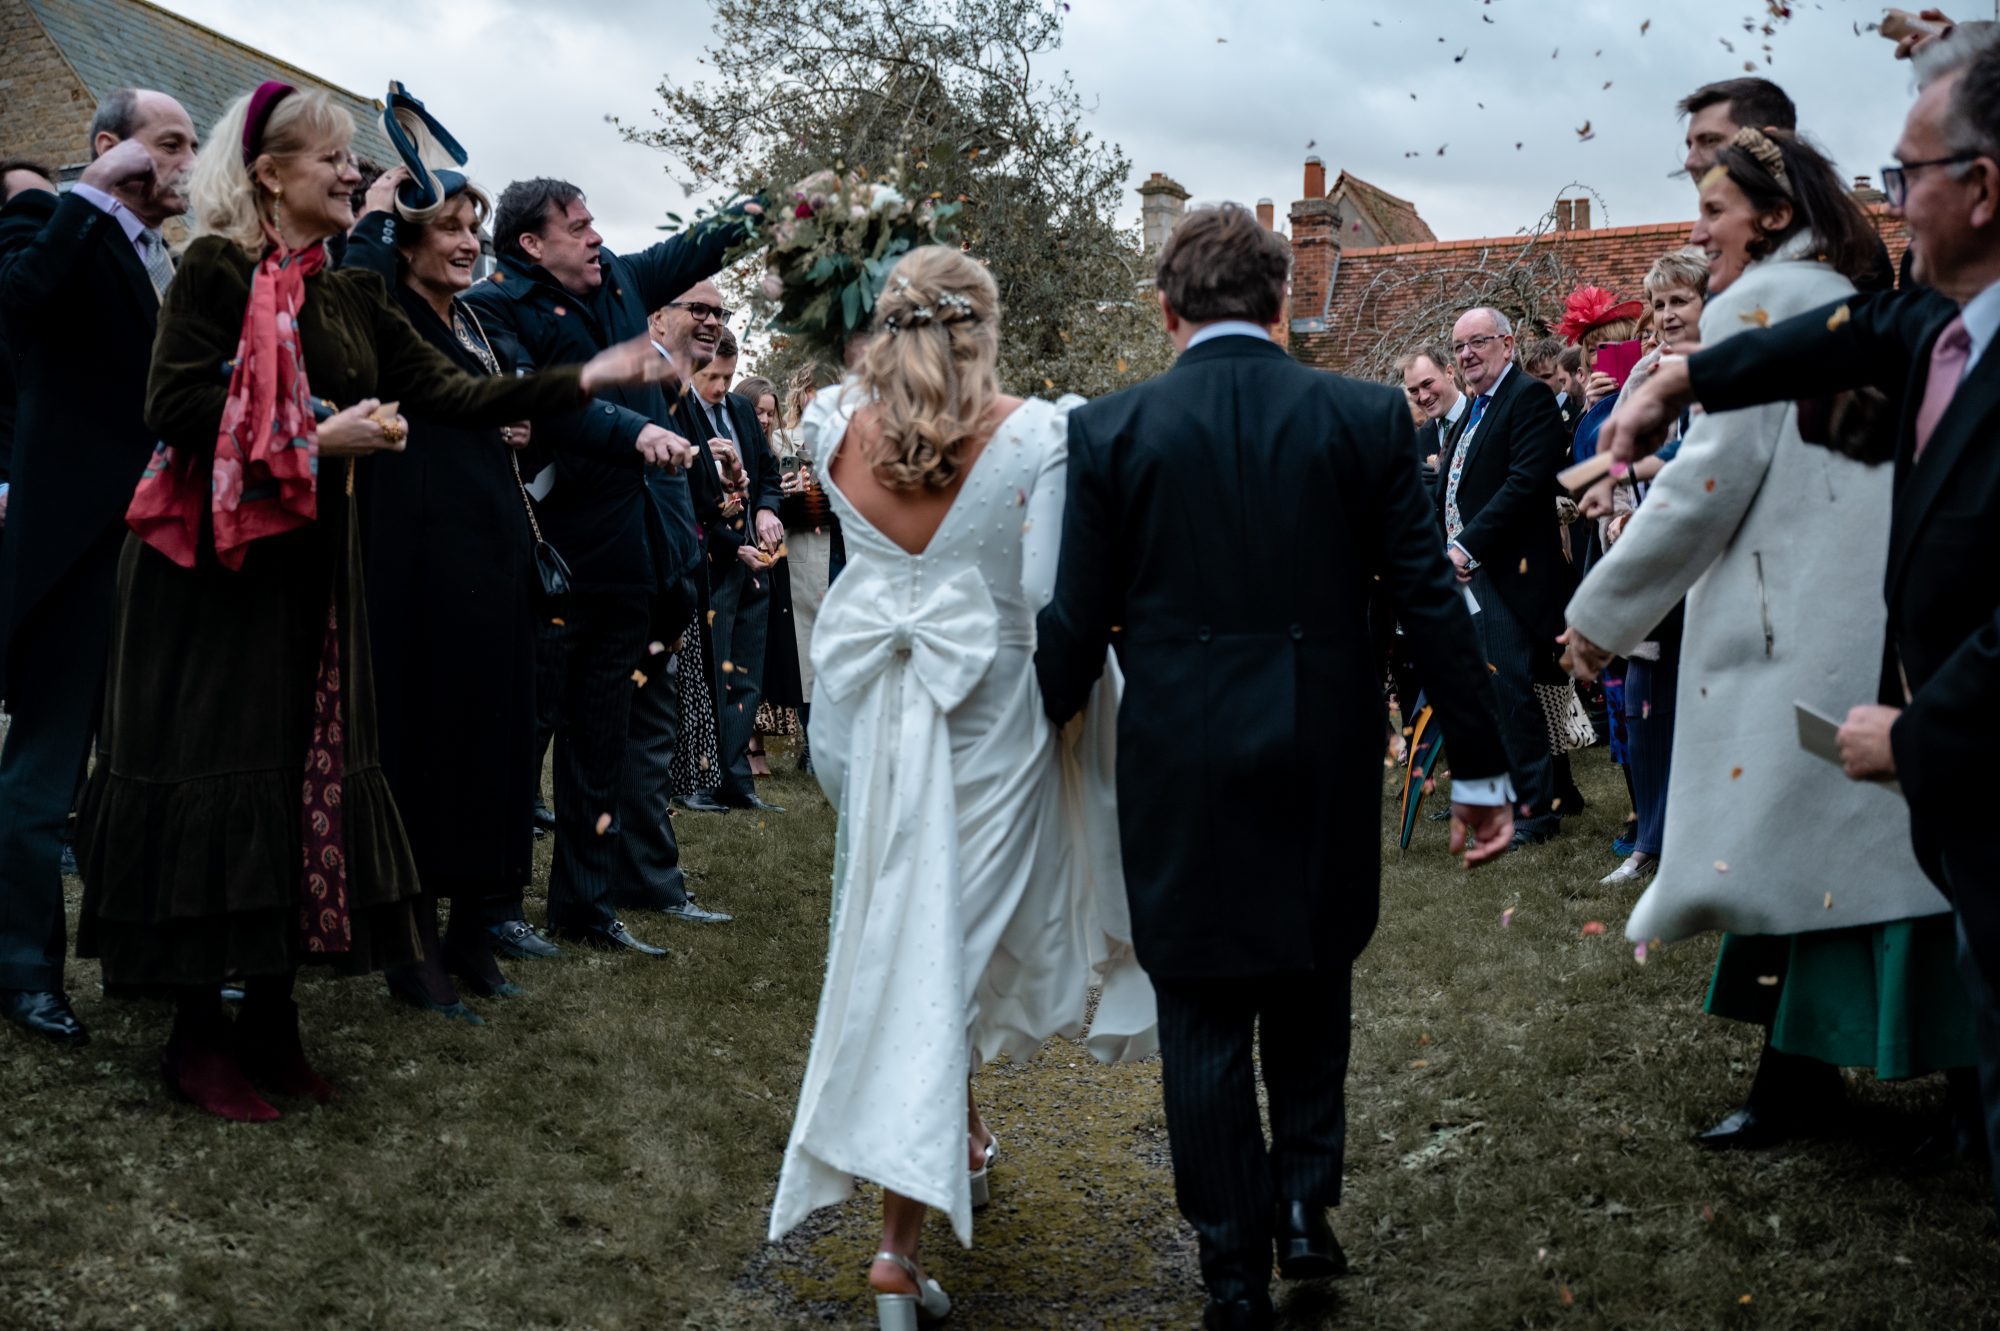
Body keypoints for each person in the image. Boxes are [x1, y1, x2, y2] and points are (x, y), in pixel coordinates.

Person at [71, 82, 683, 1120]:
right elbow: (172, 405)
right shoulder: (216, 267)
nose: (354, 173)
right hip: (211, 580)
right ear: (268, 172)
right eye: (332, 159)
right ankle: (196, 1036)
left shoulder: (344, 295)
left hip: (311, 572)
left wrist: (586, 377)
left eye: (356, 158)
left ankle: (272, 1017)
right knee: (222, 774)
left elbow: (454, 394)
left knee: (300, 780)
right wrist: (318, 439)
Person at [1036, 203, 1516, 1331]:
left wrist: (1025, 733)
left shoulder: (1110, 429)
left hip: (1179, 760)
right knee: (1310, 975)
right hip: (1319, 743)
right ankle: (1302, 1204)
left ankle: (1231, 1268)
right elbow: (1425, 600)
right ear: (1277, 303)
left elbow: (1075, 617)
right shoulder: (1359, 415)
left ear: (1165, 310)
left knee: (1200, 1008)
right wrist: (1483, 766)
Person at [1601, 46, 2000, 1209]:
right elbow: (1843, 342)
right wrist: (1687, 377)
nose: (1886, 196)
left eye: (1906, 170)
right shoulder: (1933, 322)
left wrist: (1923, 731)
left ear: (1977, 188)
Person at [768, 245, 1148, 1330]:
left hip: (866, 720)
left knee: (901, 926)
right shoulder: (1037, 435)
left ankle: (964, 1136)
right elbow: (1038, 591)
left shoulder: (829, 420)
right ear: (983, 326)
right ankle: (895, 1247)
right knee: (934, 955)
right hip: (987, 720)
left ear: (885, 327)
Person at [461, 176, 757, 957]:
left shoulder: (620, 276)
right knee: (526, 738)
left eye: (596, 222)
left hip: (637, 557)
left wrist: (772, 205)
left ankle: (584, 906)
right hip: (557, 554)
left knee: (601, 738)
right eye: (579, 225)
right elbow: (549, 405)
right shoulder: (496, 309)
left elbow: (695, 245)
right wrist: (632, 432)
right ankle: (492, 906)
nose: (597, 236)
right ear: (532, 243)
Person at [340, 163, 565, 1019]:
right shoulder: (384, 308)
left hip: (496, 556)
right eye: (451, 228)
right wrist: (371, 212)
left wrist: (519, 422)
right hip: (419, 559)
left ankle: (477, 927)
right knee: (428, 746)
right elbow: (348, 309)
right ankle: (414, 948)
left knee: (495, 743)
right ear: (408, 239)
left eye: (475, 226)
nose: (471, 242)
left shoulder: (471, 321)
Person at [0, 90, 199, 1046]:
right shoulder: (51, 215)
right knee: (44, 770)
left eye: (194, 147)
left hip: (156, 547)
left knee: (138, 767)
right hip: (74, 548)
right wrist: (85, 195)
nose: (188, 165)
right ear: (113, 149)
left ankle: (140, 955)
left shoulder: (168, 260)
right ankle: (21, 968)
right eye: (170, 146)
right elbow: (17, 308)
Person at [1588, 248, 1709, 889]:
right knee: (1643, 707)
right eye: (1658, 303)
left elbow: (1706, 466)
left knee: (1703, 710)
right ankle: (1651, 841)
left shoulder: (1721, 375)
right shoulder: (1640, 377)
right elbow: (1609, 461)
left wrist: (1649, 509)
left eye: (1679, 300)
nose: (1665, 314)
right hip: (1653, 570)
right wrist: (1617, 510)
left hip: (1708, 571)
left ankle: (1697, 844)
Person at [1439, 305, 1573, 847]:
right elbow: (1455, 489)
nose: (1467, 354)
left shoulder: (1527, 398)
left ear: (1508, 344)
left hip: (1504, 575)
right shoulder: (1473, 409)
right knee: (1490, 693)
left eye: (1478, 342)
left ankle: (1535, 813)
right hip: (1467, 573)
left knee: (1511, 692)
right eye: (1460, 347)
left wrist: (1466, 547)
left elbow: (1523, 485)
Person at [686, 327, 786, 813]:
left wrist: (767, 511)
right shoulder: (682, 414)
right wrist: (730, 545)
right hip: (714, 563)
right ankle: (704, 777)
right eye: (713, 376)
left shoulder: (743, 411)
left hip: (757, 562)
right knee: (713, 671)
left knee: (747, 670)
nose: (722, 387)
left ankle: (738, 779)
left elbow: (767, 475)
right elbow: (687, 501)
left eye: (728, 376)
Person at [770, 359, 843, 773]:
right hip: (807, 554)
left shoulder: (855, 437)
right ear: (803, 393)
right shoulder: (783, 440)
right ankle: (814, 745)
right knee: (811, 649)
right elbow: (771, 497)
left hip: (846, 551)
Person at [735, 372, 801, 777]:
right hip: (732, 552)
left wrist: (784, 500)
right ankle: (742, 746)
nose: (764, 420)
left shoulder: (775, 455)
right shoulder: (734, 440)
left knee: (763, 654)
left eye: (769, 414)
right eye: (759, 411)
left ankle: (753, 743)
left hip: (771, 560)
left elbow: (776, 503)